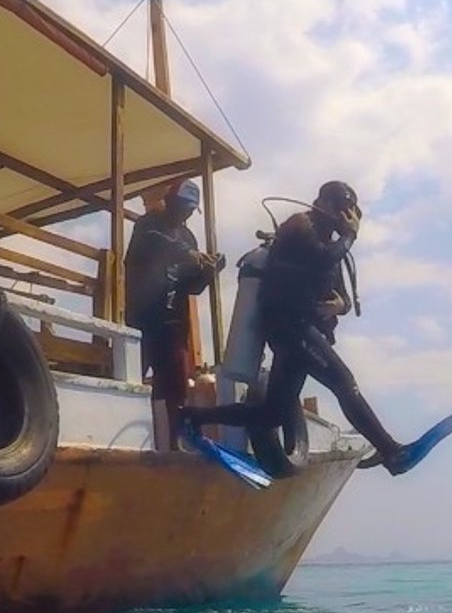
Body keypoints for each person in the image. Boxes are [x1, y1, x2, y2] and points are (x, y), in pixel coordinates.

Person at [184, 180, 413, 474]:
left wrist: (339, 304)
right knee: (344, 382)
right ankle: (391, 451)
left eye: (351, 212)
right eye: (342, 208)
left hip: (300, 330)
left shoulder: (330, 241)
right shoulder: (298, 226)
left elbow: (338, 288)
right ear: (326, 204)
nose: (345, 216)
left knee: (272, 414)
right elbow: (319, 259)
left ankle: (193, 417)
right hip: (291, 325)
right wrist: (350, 236)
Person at [124, 178, 224, 443]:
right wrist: (187, 253)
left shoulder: (188, 236)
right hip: (142, 318)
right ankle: (126, 436)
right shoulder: (148, 224)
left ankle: (174, 444)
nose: (187, 213)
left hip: (173, 323)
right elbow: (151, 245)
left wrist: (209, 272)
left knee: (176, 386)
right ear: (170, 202)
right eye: (183, 206)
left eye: (191, 209)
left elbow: (192, 287)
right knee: (131, 376)